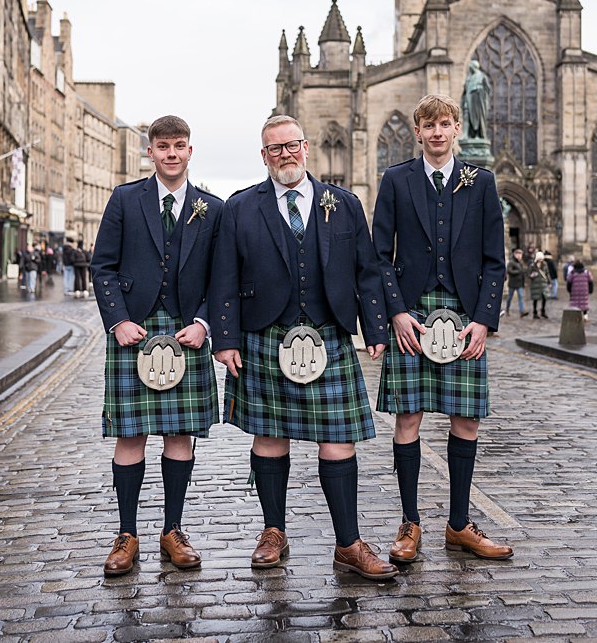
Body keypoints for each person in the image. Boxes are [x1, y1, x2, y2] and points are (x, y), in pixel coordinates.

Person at [210, 115, 396, 581]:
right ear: (263, 156)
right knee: (269, 438)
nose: (285, 155)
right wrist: (226, 340)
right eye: (275, 149)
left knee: (338, 441)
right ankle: (273, 531)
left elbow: (367, 269)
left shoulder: (345, 203)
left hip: (328, 332)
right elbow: (223, 279)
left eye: (291, 146)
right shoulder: (241, 207)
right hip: (264, 335)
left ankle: (348, 543)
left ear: (306, 147)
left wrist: (375, 329)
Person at [372, 94, 513, 565]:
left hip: (463, 314)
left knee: (466, 420)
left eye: (445, 124)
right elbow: (378, 258)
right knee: (408, 418)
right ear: (418, 132)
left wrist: (484, 320)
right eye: (428, 124)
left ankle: (458, 525)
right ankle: (409, 523)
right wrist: (394, 312)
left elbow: (496, 260)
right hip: (412, 315)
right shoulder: (395, 180)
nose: (436, 132)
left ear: (457, 129)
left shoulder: (483, 182)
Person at [90, 115, 224, 577]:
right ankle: (126, 534)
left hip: (186, 331)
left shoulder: (213, 207)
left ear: (190, 151)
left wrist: (206, 323)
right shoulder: (126, 199)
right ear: (151, 151)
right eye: (163, 146)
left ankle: (173, 529)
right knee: (130, 435)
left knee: (179, 434)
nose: (171, 153)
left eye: (179, 145)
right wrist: (118, 320)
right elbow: (102, 266)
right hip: (137, 330)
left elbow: (220, 278)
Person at [503, 248, 527, 317]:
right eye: (518, 254)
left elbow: (523, 271)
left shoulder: (521, 262)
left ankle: (521, 312)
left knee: (520, 297)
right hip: (512, 284)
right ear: (515, 254)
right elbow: (509, 271)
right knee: (510, 297)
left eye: (520, 254)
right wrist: (518, 271)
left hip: (519, 283)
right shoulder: (511, 262)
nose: (519, 256)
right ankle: (507, 309)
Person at [529, 252, 550, 320]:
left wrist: (549, 282)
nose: (541, 260)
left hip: (543, 284)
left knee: (544, 298)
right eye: (540, 258)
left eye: (542, 258)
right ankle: (535, 312)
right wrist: (532, 275)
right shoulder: (533, 265)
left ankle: (543, 311)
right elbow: (529, 274)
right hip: (535, 284)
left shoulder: (545, 264)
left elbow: (547, 273)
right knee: (535, 299)